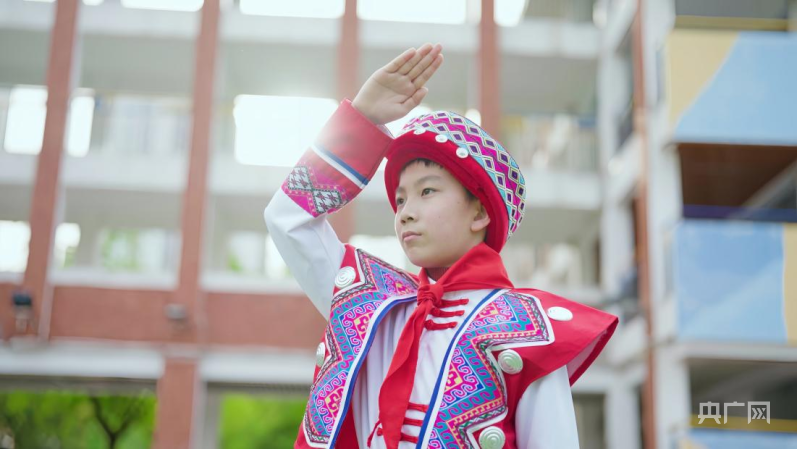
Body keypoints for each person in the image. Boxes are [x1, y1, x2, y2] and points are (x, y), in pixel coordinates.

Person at [264, 42, 619, 449]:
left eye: (427, 191)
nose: (405, 213)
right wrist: (361, 121)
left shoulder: (530, 330)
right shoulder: (371, 306)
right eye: (400, 200)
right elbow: (289, 219)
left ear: (479, 212)